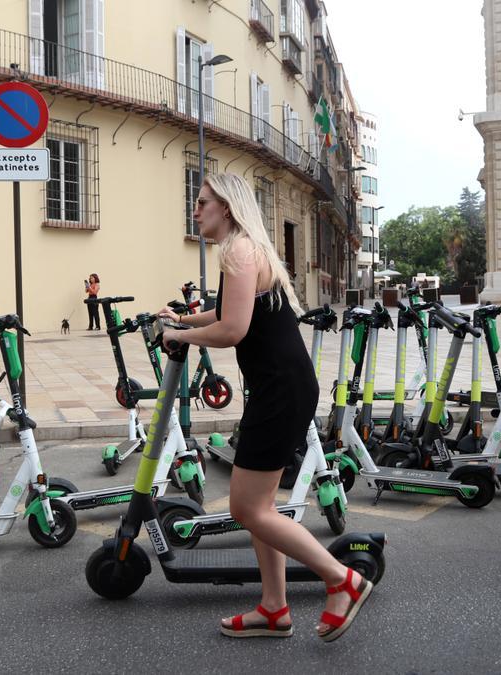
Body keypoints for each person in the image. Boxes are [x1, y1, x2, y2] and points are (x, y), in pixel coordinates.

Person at [159, 173, 373, 641]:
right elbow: (225, 313)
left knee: (247, 508)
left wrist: (179, 336)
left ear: (227, 208)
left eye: (202, 202)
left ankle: (343, 580)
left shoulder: (238, 251)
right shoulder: (245, 248)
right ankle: (274, 609)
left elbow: (232, 331)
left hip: (279, 391)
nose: (195, 211)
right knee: (261, 507)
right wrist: (184, 319)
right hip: (283, 387)